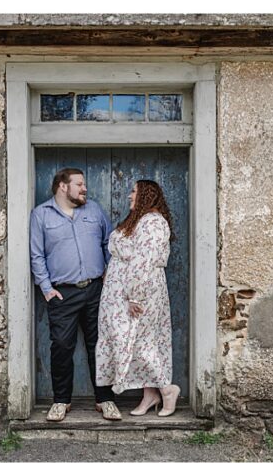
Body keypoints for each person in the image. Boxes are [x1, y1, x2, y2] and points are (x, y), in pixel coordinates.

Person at [29, 168, 120, 422]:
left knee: (100, 346)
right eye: (79, 184)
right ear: (62, 186)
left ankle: (105, 399)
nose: (85, 189)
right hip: (63, 294)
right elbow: (37, 255)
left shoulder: (94, 210)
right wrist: (47, 289)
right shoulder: (41, 215)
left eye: (84, 185)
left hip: (95, 291)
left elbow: (109, 244)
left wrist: (109, 276)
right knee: (61, 347)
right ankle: (61, 400)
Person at [96, 180, 181, 416]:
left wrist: (136, 296)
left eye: (133, 191)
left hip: (139, 293)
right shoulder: (139, 221)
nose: (129, 196)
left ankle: (167, 389)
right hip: (123, 294)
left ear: (145, 195)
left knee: (139, 342)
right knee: (138, 340)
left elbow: (143, 262)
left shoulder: (153, 223)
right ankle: (150, 395)